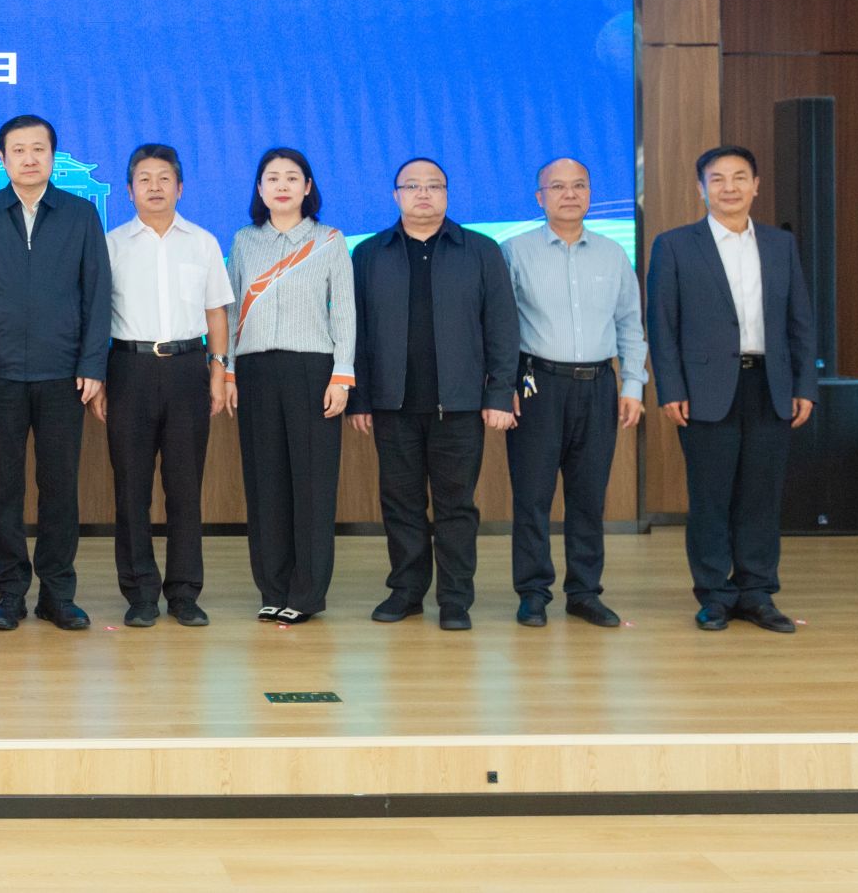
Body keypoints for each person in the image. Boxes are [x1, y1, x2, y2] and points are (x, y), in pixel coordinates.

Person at [646, 145, 816, 634]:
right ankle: (715, 596)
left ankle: (757, 593)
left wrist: (805, 384)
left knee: (761, 496)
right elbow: (663, 325)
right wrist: (670, 388)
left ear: (756, 186)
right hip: (704, 389)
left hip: (771, 383)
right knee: (710, 497)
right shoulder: (675, 245)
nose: (729, 187)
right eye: (717, 179)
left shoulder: (780, 245)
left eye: (740, 177)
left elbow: (800, 320)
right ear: (700, 189)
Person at [0, 113, 111, 632]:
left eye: (38, 149)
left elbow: (98, 293)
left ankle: (58, 593)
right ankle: (9, 593)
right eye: (18, 150)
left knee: (59, 485)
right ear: (2, 159)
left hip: (63, 373)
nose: (29, 158)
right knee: (3, 487)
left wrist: (92, 363)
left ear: (52, 156)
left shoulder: (80, 214)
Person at [349, 158, 519, 630]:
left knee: (456, 506)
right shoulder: (369, 254)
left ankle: (455, 600)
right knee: (400, 504)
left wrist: (499, 393)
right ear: (395, 195)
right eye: (412, 186)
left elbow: (502, 326)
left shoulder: (481, 251)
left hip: (461, 405)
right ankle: (406, 592)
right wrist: (359, 397)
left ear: (447, 193)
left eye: (433, 186)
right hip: (392, 403)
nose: (423, 194)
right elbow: (354, 331)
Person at [500, 158, 647, 629]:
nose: (569, 194)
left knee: (588, 497)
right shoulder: (514, 251)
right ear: (539, 197)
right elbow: (499, 328)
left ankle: (584, 592)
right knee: (532, 496)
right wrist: (502, 387)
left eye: (579, 185)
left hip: (599, 386)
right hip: (536, 385)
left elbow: (630, 324)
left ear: (590, 194)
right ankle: (533, 593)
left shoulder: (612, 254)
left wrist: (633, 384)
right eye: (558, 187)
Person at [93, 144, 231, 628]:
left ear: (180, 187)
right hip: (127, 368)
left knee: (185, 488)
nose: (155, 187)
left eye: (164, 178)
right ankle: (140, 594)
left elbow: (216, 312)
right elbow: (96, 316)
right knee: (131, 488)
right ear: (129, 191)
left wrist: (219, 371)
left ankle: (185, 593)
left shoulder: (203, 242)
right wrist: (100, 378)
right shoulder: (110, 245)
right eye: (144, 179)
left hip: (188, 368)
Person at [222, 147, 356, 625]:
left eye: (292, 177)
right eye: (272, 178)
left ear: (308, 186)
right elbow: (231, 311)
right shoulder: (244, 241)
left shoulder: (330, 240)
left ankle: (307, 592)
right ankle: (273, 587)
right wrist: (229, 370)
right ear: (260, 189)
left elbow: (344, 311)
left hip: (312, 372)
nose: (282, 185)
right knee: (265, 482)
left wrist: (342, 375)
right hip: (255, 371)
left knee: (312, 483)